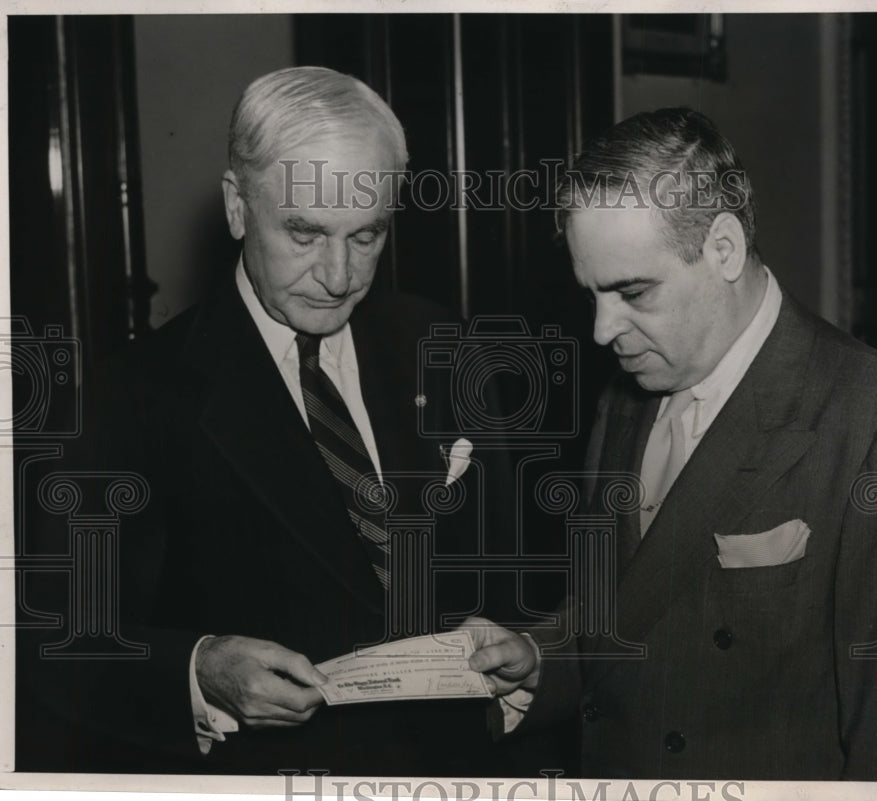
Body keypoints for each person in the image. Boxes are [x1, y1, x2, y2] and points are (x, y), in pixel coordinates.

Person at [465, 107, 877, 781]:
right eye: (592, 295)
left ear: (723, 249)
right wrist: (543, 656)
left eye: (632, 291)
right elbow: (636, 612)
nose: (601, 330)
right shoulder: (624, 400)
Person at [20, 66, 511, 776]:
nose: (338, 274)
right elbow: (54, 641)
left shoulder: (440, 341)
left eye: (367, 235)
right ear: (236, 206)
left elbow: (506, 571)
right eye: (306, 233)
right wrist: (198, 669)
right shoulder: (130, 392)